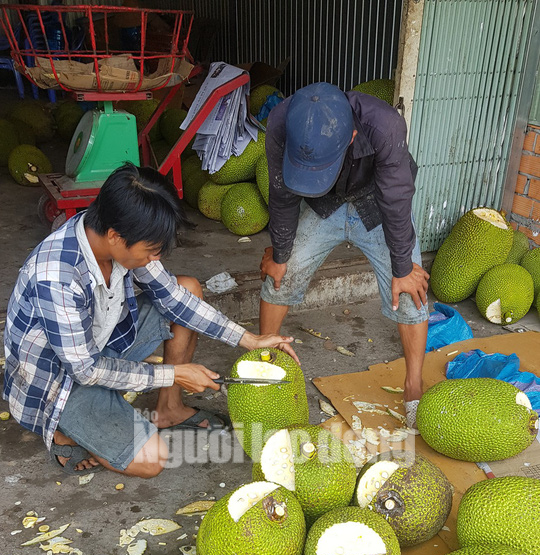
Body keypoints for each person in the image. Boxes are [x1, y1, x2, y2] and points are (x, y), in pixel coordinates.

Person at [3, 163, 297, 478]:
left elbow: (175, 297)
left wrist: (249, 339)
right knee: (151, 460)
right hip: (62, 382)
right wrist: (172, 373)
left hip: (103, 343)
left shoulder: (116, 236)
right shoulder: (57, 277)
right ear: (115, 236)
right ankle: (65, 430)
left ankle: (169, 410)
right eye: (150, 250)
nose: (154, 259)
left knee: (189, 289)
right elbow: (86, 370)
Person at [259, 82, 430, 427]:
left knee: (411, 287)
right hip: (324, 203)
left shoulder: (384, 125)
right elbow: (281, 192)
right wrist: (280, 252)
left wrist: (402, 265)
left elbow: (396, 196)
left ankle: (414, 383)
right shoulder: (281, 121)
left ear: (351, 136)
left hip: (377, 202)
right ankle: (265, 361)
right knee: (281, 273)